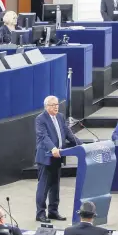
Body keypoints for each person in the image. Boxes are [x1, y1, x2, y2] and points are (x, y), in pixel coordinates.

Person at [35, 95, 82, 223]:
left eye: (57, 104)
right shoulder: (40, 119)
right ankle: (40, 213)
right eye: (53, 105)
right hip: (46, 156)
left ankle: (53, 211)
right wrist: (53, 148)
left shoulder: (60, 117)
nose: (56, 107)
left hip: (58, 156)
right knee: (44, 186)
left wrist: (81, 145)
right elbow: (43, 137)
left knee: (55, 185)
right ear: (46, 107)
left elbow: (68, 133)